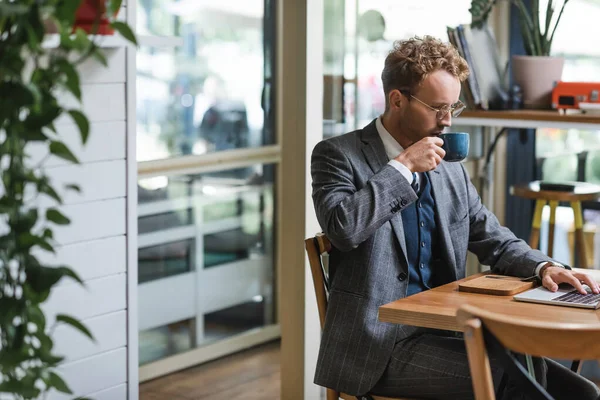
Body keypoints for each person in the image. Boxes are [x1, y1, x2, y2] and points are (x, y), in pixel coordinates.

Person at [310, 36, 600, 400]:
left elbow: (490, 234)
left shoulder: (448, 167)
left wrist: (544, 267)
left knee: (580, 391)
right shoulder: (338, 155)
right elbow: (343, 229)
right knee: (514, 376)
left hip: (448, 330)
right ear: (397, 100)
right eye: (437, 108)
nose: (447, 121)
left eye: (453, 107)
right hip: (377, 347)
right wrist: (401, 169)